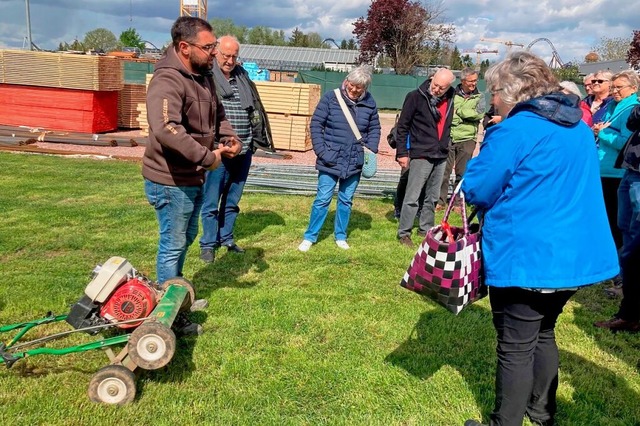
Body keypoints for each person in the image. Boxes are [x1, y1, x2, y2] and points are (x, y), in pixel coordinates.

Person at [462, 51, 619, 426]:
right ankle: (541, 412)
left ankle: (506, 422)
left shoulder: (516, 130)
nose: (493, 100)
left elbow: (478, 187)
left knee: (515, 346)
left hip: (529, 255)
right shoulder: (577, 126)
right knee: (543, 331)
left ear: (512, 91)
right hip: (571, 257)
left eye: (495, 92)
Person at [143, 17, 241, 303]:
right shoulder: (167, 80)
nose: (214, 52)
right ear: (184, 47)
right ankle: (165, 307)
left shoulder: (205, 75)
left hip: (193, 175)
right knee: (173, 244)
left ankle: (175, 294)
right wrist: (206, 156)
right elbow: (166, 128)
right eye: (208, 46)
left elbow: (218, 115)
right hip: (170, 180)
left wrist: (230, 138)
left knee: (185, 238)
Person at [199, 35, 274, 263]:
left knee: (232, 200)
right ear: (215, 53)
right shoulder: (205, 77)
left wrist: (253, 141)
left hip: (244, 150)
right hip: (218, 151)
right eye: (226, 55)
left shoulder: (242, 75)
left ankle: (227, 238)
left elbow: (255, 110)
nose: (230, 61)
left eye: (234, 56)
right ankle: (208, 244)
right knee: (211, 200)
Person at [298, 65, 381, 252]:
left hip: (355, 160)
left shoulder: (370, 102)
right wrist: (322, 151)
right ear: (346, 80)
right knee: (322, 198)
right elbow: (316, 125)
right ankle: (310, 236)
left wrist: (370, 149)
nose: (353, 89)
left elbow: (375, 128)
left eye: (358, 87)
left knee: (346, 200)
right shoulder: (331, 98)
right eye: (351, 84)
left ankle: (340, 236)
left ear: (365, 88)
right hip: (330, 159)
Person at [395, 68, 456, 247]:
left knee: (433, 196)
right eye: (435, 85)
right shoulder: (415, 96)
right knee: (412, 196)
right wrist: (402, 153)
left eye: (441, 88)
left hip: (441, 153)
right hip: (421, 153)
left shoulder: (452, 98)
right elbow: (402, 127)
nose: (436, 89)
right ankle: (404, 232)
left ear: (448, 87)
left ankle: (426, 229)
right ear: (431, 78)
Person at [595, 102, 640, 332]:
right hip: (632, 170)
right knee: (625, 235)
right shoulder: (631, 107)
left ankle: (631, 312)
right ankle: (629, 311)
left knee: (635, 244)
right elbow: (634, 122)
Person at [594, 70, 640, 250]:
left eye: (619, 87)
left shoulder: (630, 109)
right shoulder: (612, 107)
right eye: (613, 87)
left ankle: (620, 264)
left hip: (618, 172)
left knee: (620, 222)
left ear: (633, 88)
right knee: (612, 220)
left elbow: (625, 142)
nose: (615, 91)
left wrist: (603, 133)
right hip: (605, 170)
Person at [437, 67, 485, 208]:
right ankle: (440, 201)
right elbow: (447, 113)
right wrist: (463, 113)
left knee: (462, 173)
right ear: (463, 81)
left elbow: (479, 114)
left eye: (475, 80)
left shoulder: (480, 97)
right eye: (470, 81)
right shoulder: (451, 94)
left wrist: (460, 111)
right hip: (450, 136)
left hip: (468, 138)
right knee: (444, 171)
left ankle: (458, 203)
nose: (474, 84)